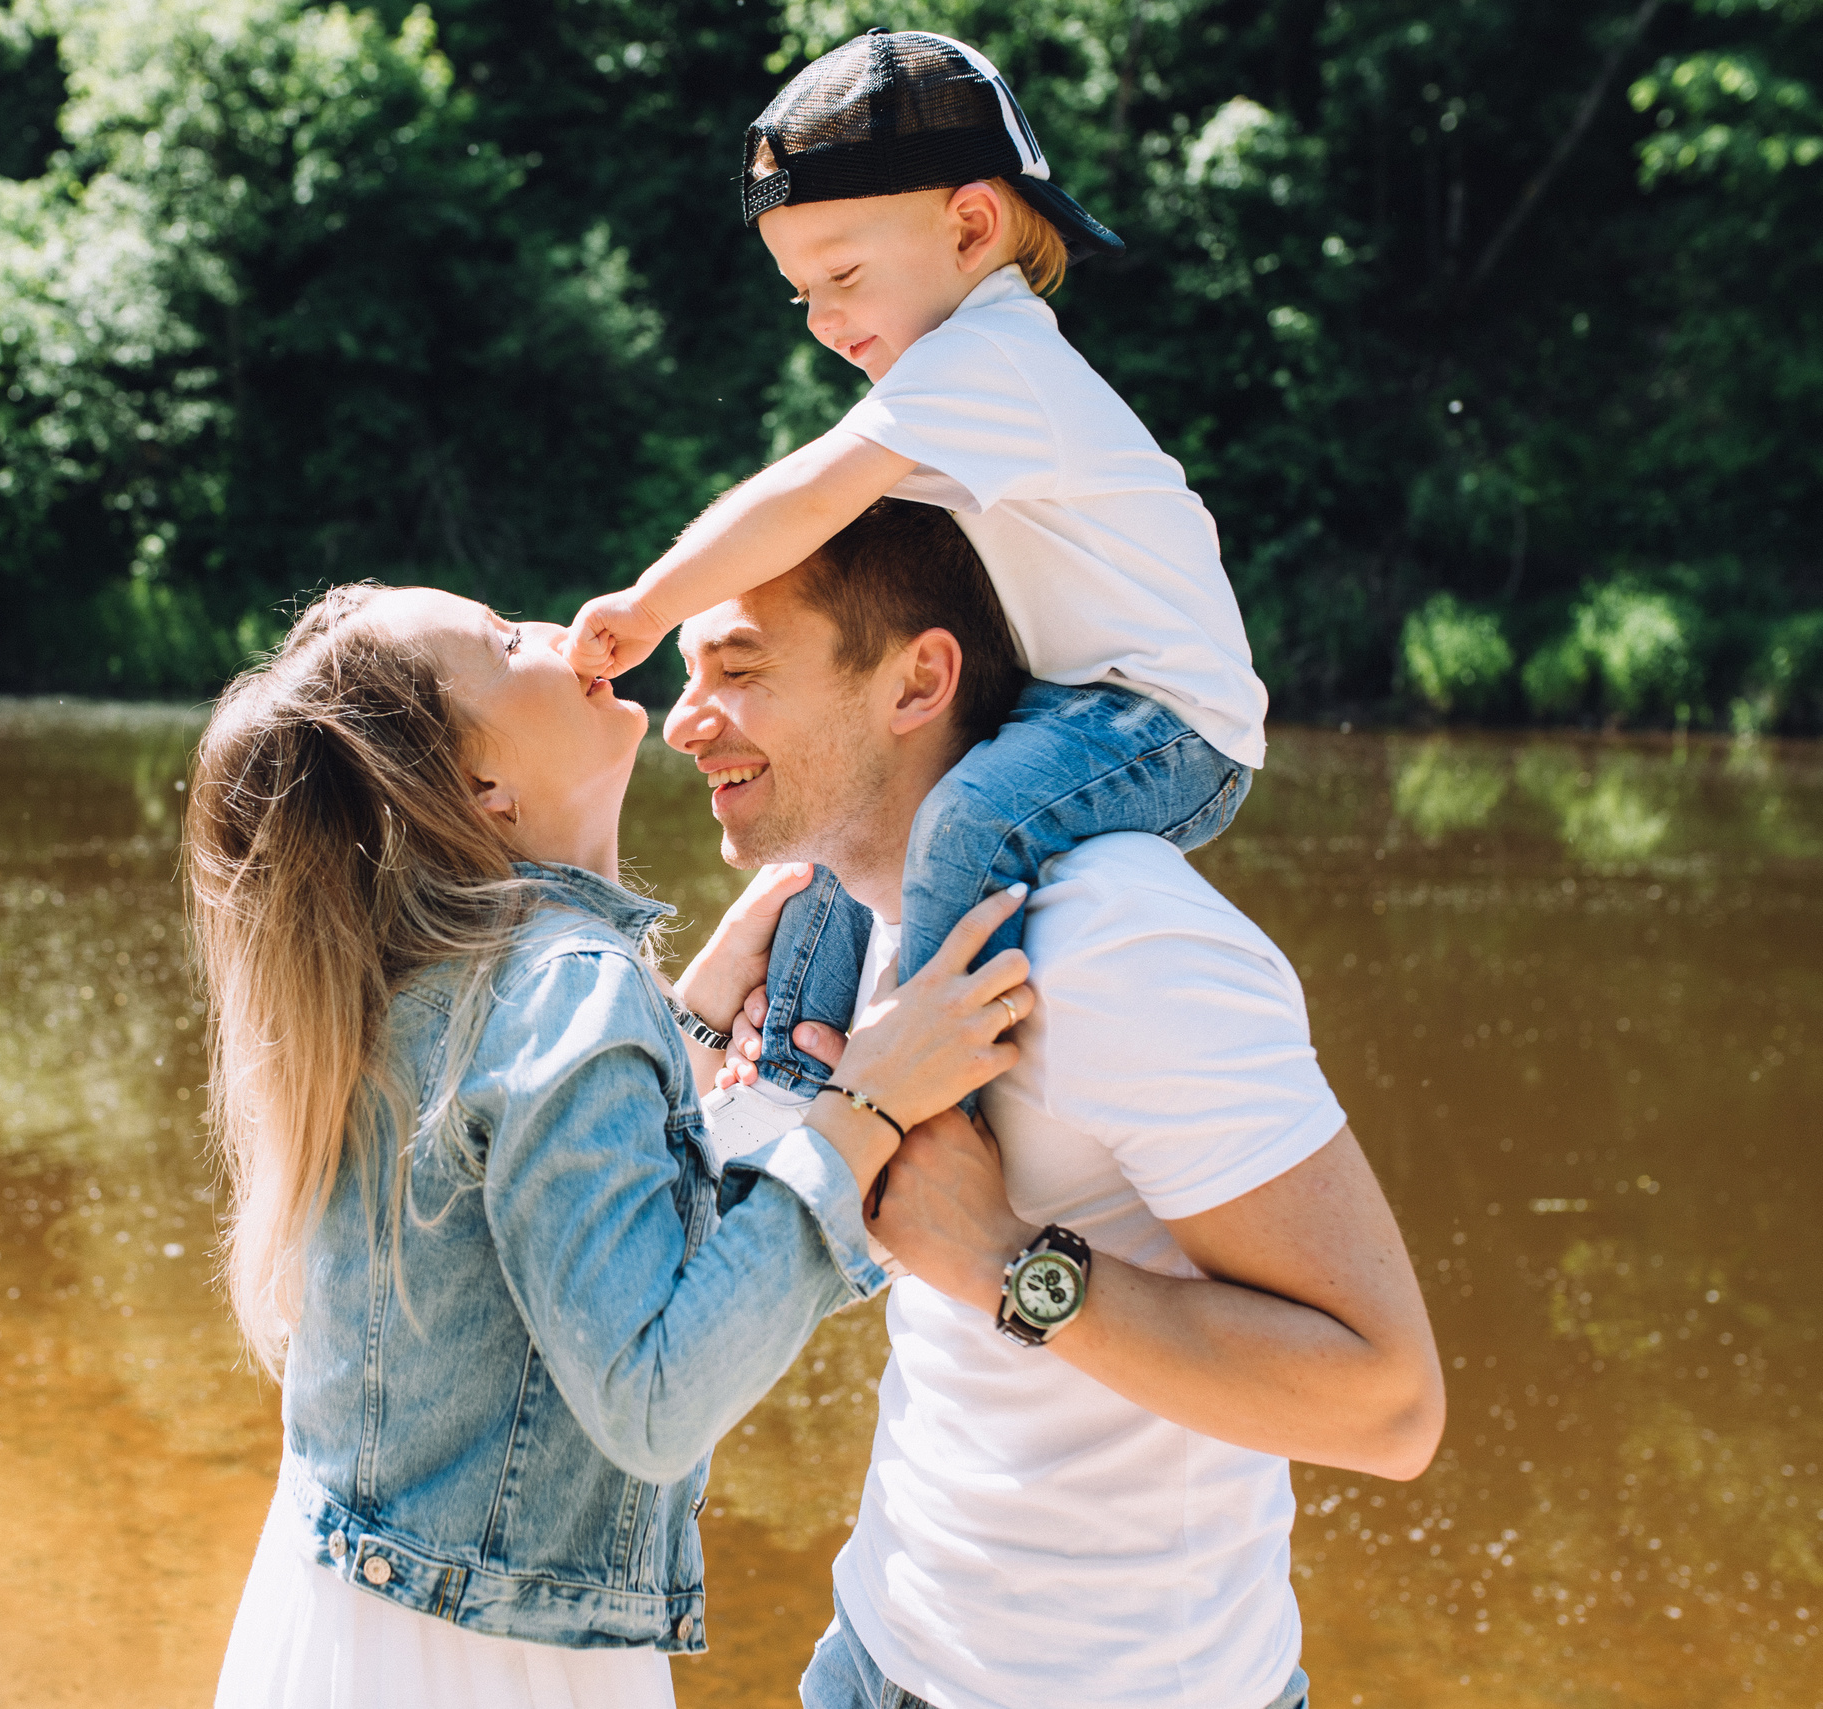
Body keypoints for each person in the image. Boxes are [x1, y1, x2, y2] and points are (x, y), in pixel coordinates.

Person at [186, 582, 1036, 1708]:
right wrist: (866, 1110)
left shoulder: (414, 964)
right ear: (481, 785)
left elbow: (510, 1247)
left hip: (348, 1611)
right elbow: (653, 1398)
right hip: (494, 1661)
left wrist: (680, 1031)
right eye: (504, 640)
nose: (559, 629)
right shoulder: (567, 986)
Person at [666, 501, 1445, 1709]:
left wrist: (1001, 1259)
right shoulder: (854, 923)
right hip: (873, 1650)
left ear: (919, 678)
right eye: (684, 674)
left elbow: (1387, 1404)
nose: (683, 720)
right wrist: (709, 1023)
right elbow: (689, 1279)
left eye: (740, 668)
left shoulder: (1115, 937)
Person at [563, 29, 1264, 1096]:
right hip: (1067, 708)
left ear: (971, 225)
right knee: (844, 836)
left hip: (1168, 723)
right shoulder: (959, 377)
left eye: (841, 276)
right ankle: (792, 1088)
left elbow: (806, 497)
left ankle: (916, 1097)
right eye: (800, 292)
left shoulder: (995, 359)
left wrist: (653, 604)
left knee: (965, 824)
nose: (823, 324)